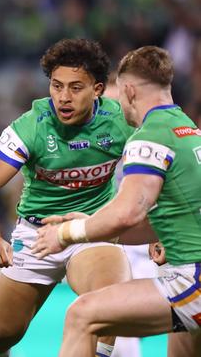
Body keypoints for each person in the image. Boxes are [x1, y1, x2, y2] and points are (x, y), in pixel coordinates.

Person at [0, 38, 134, 357]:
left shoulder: (122, 121)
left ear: (98, 89)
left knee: (108, 304)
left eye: (75, 88)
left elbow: (162, 173)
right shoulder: (32, 126)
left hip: (90, 229)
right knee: (2, 334)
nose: (63, 98)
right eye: (56, 86)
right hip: (36, 235)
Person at [32, 45, 201, 357]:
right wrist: (88, 223)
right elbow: (161, 220)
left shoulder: (149, 136)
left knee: (82, 315)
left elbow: (128, 212)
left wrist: (65, 235)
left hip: (191, 282)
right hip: (188, 274)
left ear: (129, 91)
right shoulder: (188, 130)